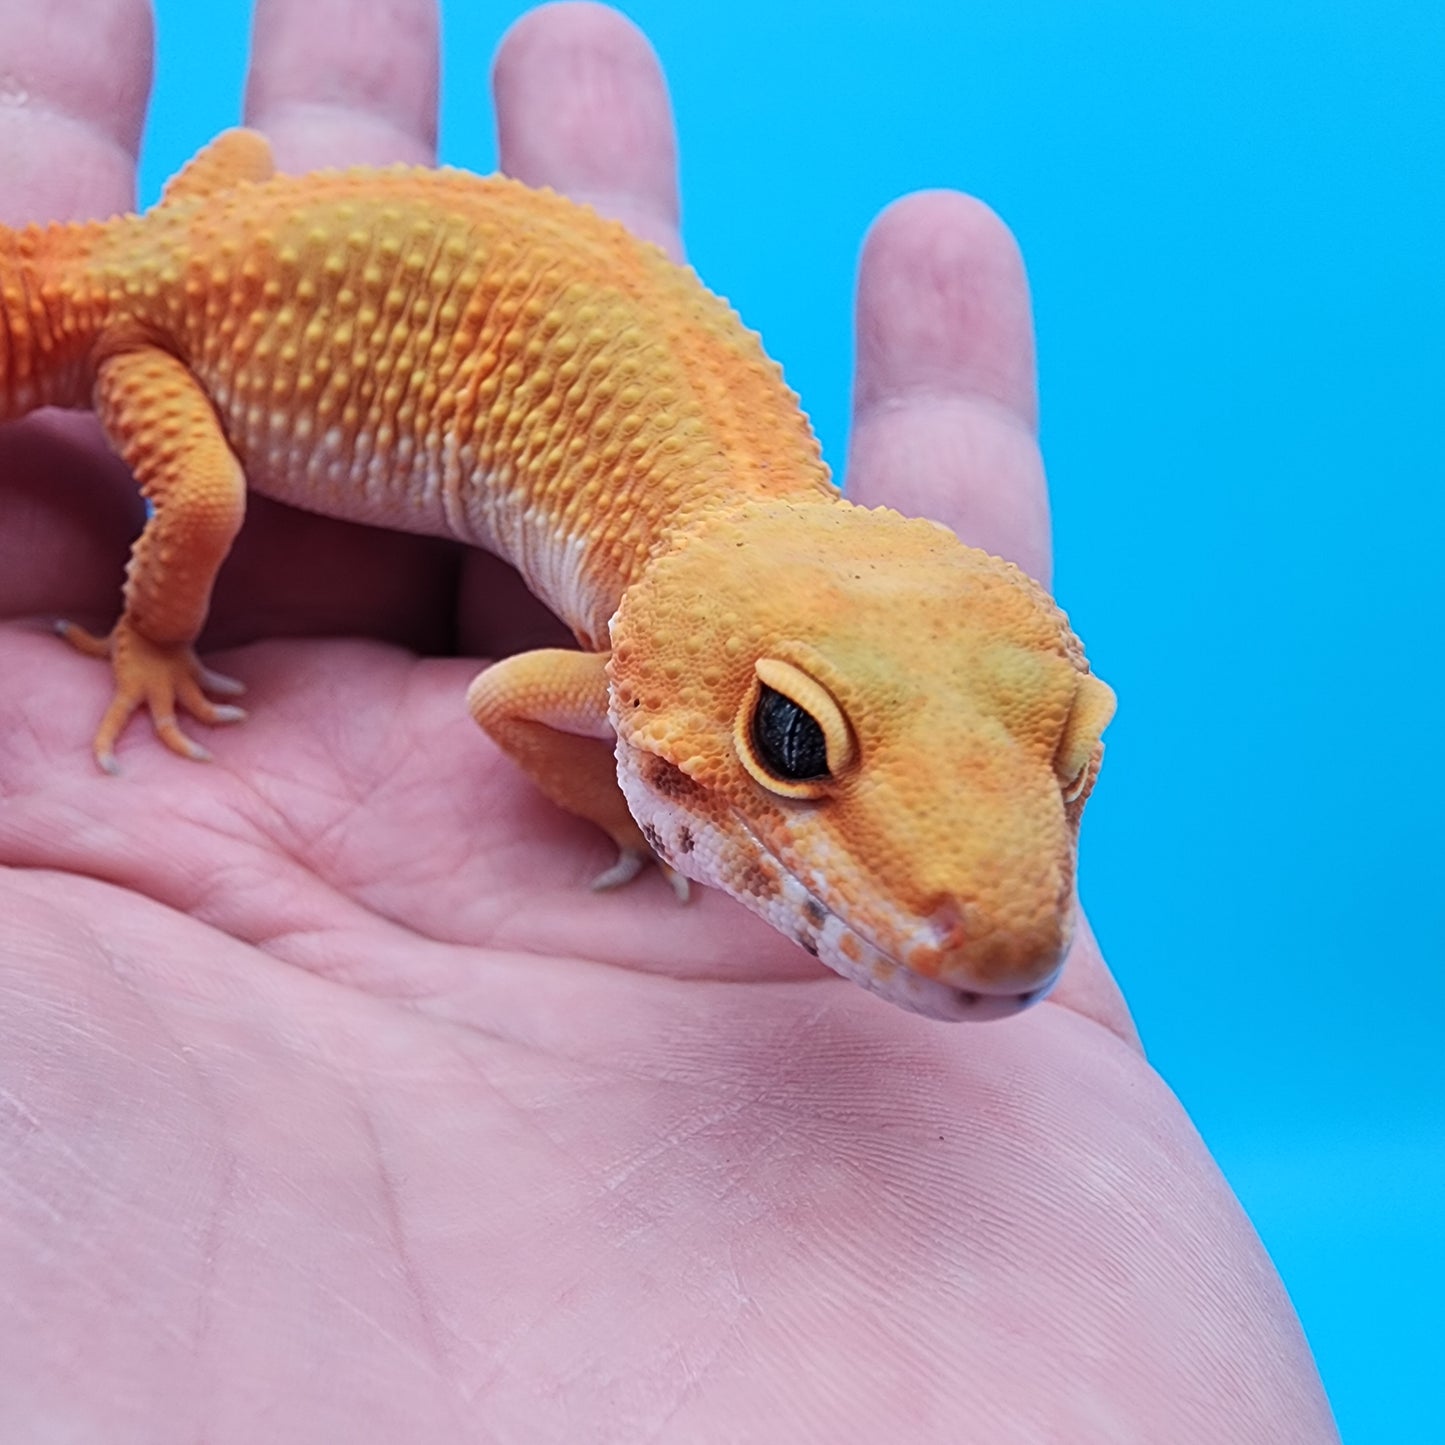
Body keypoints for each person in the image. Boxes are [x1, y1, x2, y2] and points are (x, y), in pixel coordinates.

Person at [0, 1, 1337, 1439]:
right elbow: (510, 699)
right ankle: (148, 632)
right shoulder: (664, 650)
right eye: (794, 746)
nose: (1005, 897)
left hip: (231, 224)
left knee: (250, 164)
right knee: (199, 498)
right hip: (161, 320)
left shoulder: (774, 589)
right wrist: (166, 642)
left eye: (1055, 754)